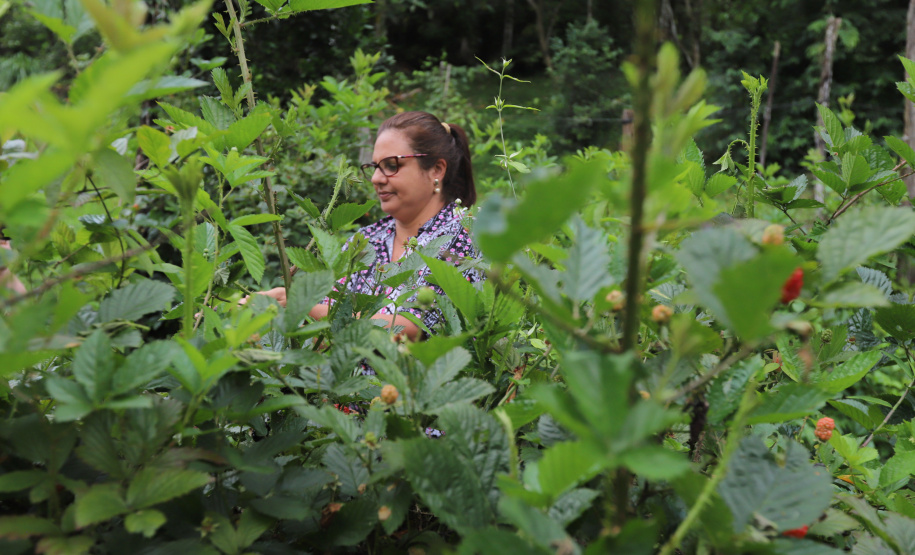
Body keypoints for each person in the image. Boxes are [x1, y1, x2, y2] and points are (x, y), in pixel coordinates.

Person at [257, 111, 480, 341]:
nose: (375, 178)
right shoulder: (366, 240)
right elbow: (325, 331)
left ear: (436, 170)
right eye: (374, 166)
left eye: (391, 165)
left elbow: (410, 329)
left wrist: (301, 309)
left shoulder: (463, 234)